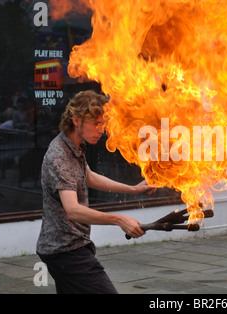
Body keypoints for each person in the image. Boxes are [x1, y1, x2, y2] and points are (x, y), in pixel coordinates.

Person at [36, 90, 156, 294]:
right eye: (96, 124)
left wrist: (133, 189)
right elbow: (72, 210)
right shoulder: (60, 156)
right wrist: (119, 219)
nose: (102, 130)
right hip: (66, 250)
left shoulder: (74, 145)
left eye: (103, 124)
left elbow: (88, 176)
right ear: (76, 120)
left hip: (66, 247)